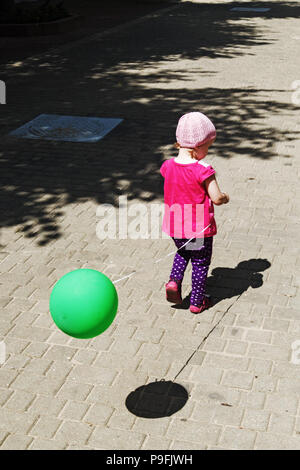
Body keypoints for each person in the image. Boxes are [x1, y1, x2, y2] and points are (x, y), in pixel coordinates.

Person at [160, 112, 229, 313]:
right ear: (198, 145)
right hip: (198, 228)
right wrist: (224, 197)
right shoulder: (203, 170)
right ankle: (197, 302)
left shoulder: (168, 165)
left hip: (175, 225)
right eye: (208, 146)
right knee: (200, 263)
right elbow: (216, 198)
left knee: (183, 252)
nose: (208, 151)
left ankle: (174, 281)